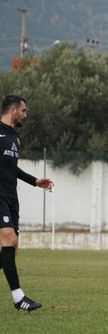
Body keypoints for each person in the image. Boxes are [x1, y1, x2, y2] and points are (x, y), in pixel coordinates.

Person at [0, 95, 54, 311]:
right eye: (23, 111)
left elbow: (12, 168)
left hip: (12, 196)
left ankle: (18, 297)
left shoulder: (15, 137)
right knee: (9, 239)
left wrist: (35, 181)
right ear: (13, 110)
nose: (25, 115)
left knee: (10, 250)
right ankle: (18, 298)